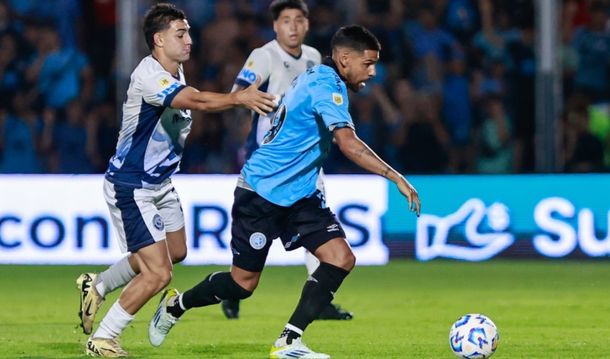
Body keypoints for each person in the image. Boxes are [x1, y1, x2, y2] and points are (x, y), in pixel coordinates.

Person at [148, 25, 421, 359]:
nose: (373, 72)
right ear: (345, 59)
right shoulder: (326, 85)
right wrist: (394, 176)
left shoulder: (317, 76)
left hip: (300, 194)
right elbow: (347, 142)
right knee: (242, 284)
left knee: (341, 258)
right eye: (368, 63)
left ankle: (289, 341)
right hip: (262, 192)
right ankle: (177, 305)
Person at [75, 3, 276, 357]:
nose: (189, 40)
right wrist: (237, 98)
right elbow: (195, 100)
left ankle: (100, 282)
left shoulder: (175, 70)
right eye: (180, 34)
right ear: (158, 39)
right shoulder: (149, 75)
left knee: (176, 252)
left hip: (161, 184)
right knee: (159, 274)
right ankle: (104, 338)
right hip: (132, 185)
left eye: (188, 32)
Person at [221, 0, 352, 322]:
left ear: (307, 24)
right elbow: (239, 92)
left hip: (305, 158)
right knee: (256, 236)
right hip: (270, 158)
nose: (292, 26)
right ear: (276, 26)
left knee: (317, 223)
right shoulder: (264, 55)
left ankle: (319, 298)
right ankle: (232, 289)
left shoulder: (312, 58)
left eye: (298, 20)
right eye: (286, 21)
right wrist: (268, 105)